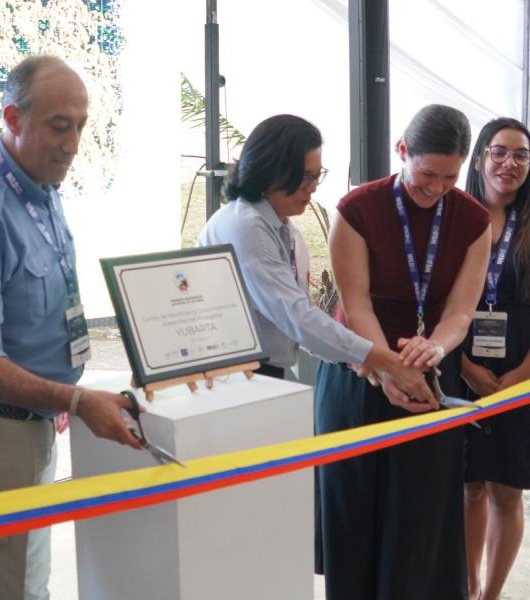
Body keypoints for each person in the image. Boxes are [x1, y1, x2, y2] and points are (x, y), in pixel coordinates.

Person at [0, 55, 142, 600]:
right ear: (13, 119)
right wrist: (75, 399)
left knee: (23, 581)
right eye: (58, 126)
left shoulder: (40, 186)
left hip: (31, 417)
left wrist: (59, 396)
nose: (73, 144)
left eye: (81, 125)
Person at [315, 104, 492, 599]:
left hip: (428, 374)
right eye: (427, 175)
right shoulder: (357, 209)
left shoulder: (473, 219)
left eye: (450, 178)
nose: (437, 189)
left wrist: (434, 347)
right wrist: (388, 367)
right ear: (402, 151)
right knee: (355, 511)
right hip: (358, 371)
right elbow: (357, 304)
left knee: (422, 517)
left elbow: (460, 312)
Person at [197, 114, 434, 402]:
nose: (313, 187)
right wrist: (387, 361)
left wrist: (356, 359)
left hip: (260, 375)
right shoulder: (243, 226)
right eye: (305, 177)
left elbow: (300, 319)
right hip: (227, 381)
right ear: (269, 170)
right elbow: (296, 317)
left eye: (317, 175)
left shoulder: (286, 230)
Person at [460, 118, 530, 600]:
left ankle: (491, 595)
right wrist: (463, 366)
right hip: (461, 359)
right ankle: (467, 588)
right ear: (481, 156)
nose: (510, 163)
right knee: (468, 484)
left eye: (521, 155)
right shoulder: (456, 215)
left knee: (507, 488)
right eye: (500, 151)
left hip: (521, 366)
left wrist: (523, 375)